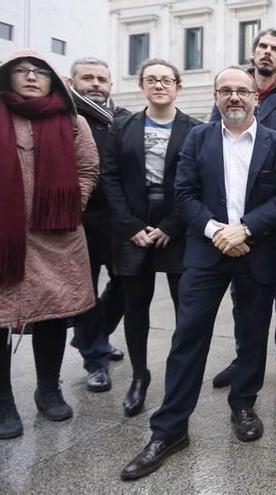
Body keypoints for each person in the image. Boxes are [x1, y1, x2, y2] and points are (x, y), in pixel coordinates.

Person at [119, 67, 276, 480]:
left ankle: (243, 404)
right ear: (215, 96)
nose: (234, 97)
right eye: (226, 91)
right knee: (188, 337)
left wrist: (246, 228)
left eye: (242, 91)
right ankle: (169, 429)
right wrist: (218, 231)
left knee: (253, 334)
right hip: (206, 251)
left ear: (257, 97)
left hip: (257, 249)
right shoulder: (198, 139)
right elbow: (184, 195)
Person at [0, 50, 99, 439]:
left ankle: (48, 388)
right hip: (2, 237)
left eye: (39, 72)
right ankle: (3, 400)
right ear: (8, 77)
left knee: (54, 314)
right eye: (21, 71)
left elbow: (88, 168)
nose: (30, 77)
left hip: (56, 235)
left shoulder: (71, 121)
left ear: (53, 80)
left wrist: (70, 205)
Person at [211, 28, 276, 392]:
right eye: (262, 47)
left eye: (275, 49)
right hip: (235, 214)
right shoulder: (232, 91)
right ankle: (245, 358)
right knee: (242, 290)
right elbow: (214, 146)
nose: (267, 53)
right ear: (254, 53)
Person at [101, 59, 201, 417]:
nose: (159, 85)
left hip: (177, 228)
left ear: (178, 86)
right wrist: (131, 227)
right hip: (132, 228)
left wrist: (171, 226)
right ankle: (139, 376)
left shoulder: (195, 130)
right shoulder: (122, 126)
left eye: (166, 80)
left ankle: (179, 377)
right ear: (142, 85)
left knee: (184, 309)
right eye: (152, 80)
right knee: (135, 306)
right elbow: (109, 178)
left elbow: (198, 183)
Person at [67, 56, 129, 393]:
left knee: (124, 284)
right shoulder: (65, 119)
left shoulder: (122, 119)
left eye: (101, 80)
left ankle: (94, 336)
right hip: (79, 222)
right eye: (87, 78)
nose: (95, 85)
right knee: (85, 292)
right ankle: (95, 361)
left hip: (119, 221)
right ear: (74, 82)